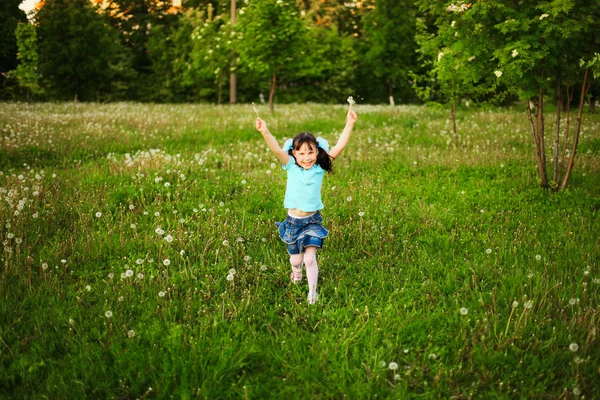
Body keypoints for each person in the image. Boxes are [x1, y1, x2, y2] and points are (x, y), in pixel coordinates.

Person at [255, 109, 358, 304]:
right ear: (294, 153)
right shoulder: (291, 166)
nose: (306, 157)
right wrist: (265, 131)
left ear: (317, 152)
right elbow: (277, 149)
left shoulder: (319, 168)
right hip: (293, 221)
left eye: (310, 152)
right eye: (301, 153)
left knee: (310, 259)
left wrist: (349, 124)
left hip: (312, 221)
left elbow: (340, 145)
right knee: (296, 259)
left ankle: (313, 293)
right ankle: (296, 271)